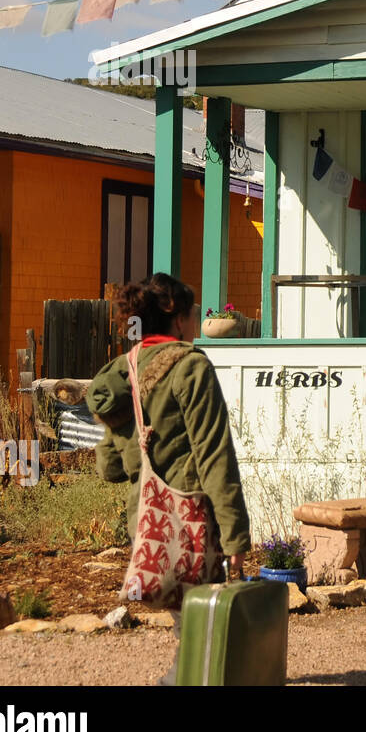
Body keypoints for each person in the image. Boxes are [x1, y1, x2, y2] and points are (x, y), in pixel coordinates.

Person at [86, 272, 251, 684]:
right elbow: (215, 458)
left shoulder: (122, 369)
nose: (196, 321)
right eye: (194, 312)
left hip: (145, 522)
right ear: (176, 317)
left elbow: (107, 467)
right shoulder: (191, 367)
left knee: (189, 620)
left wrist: (138, 444)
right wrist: (235, 538)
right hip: (188, 519)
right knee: (198, 620)